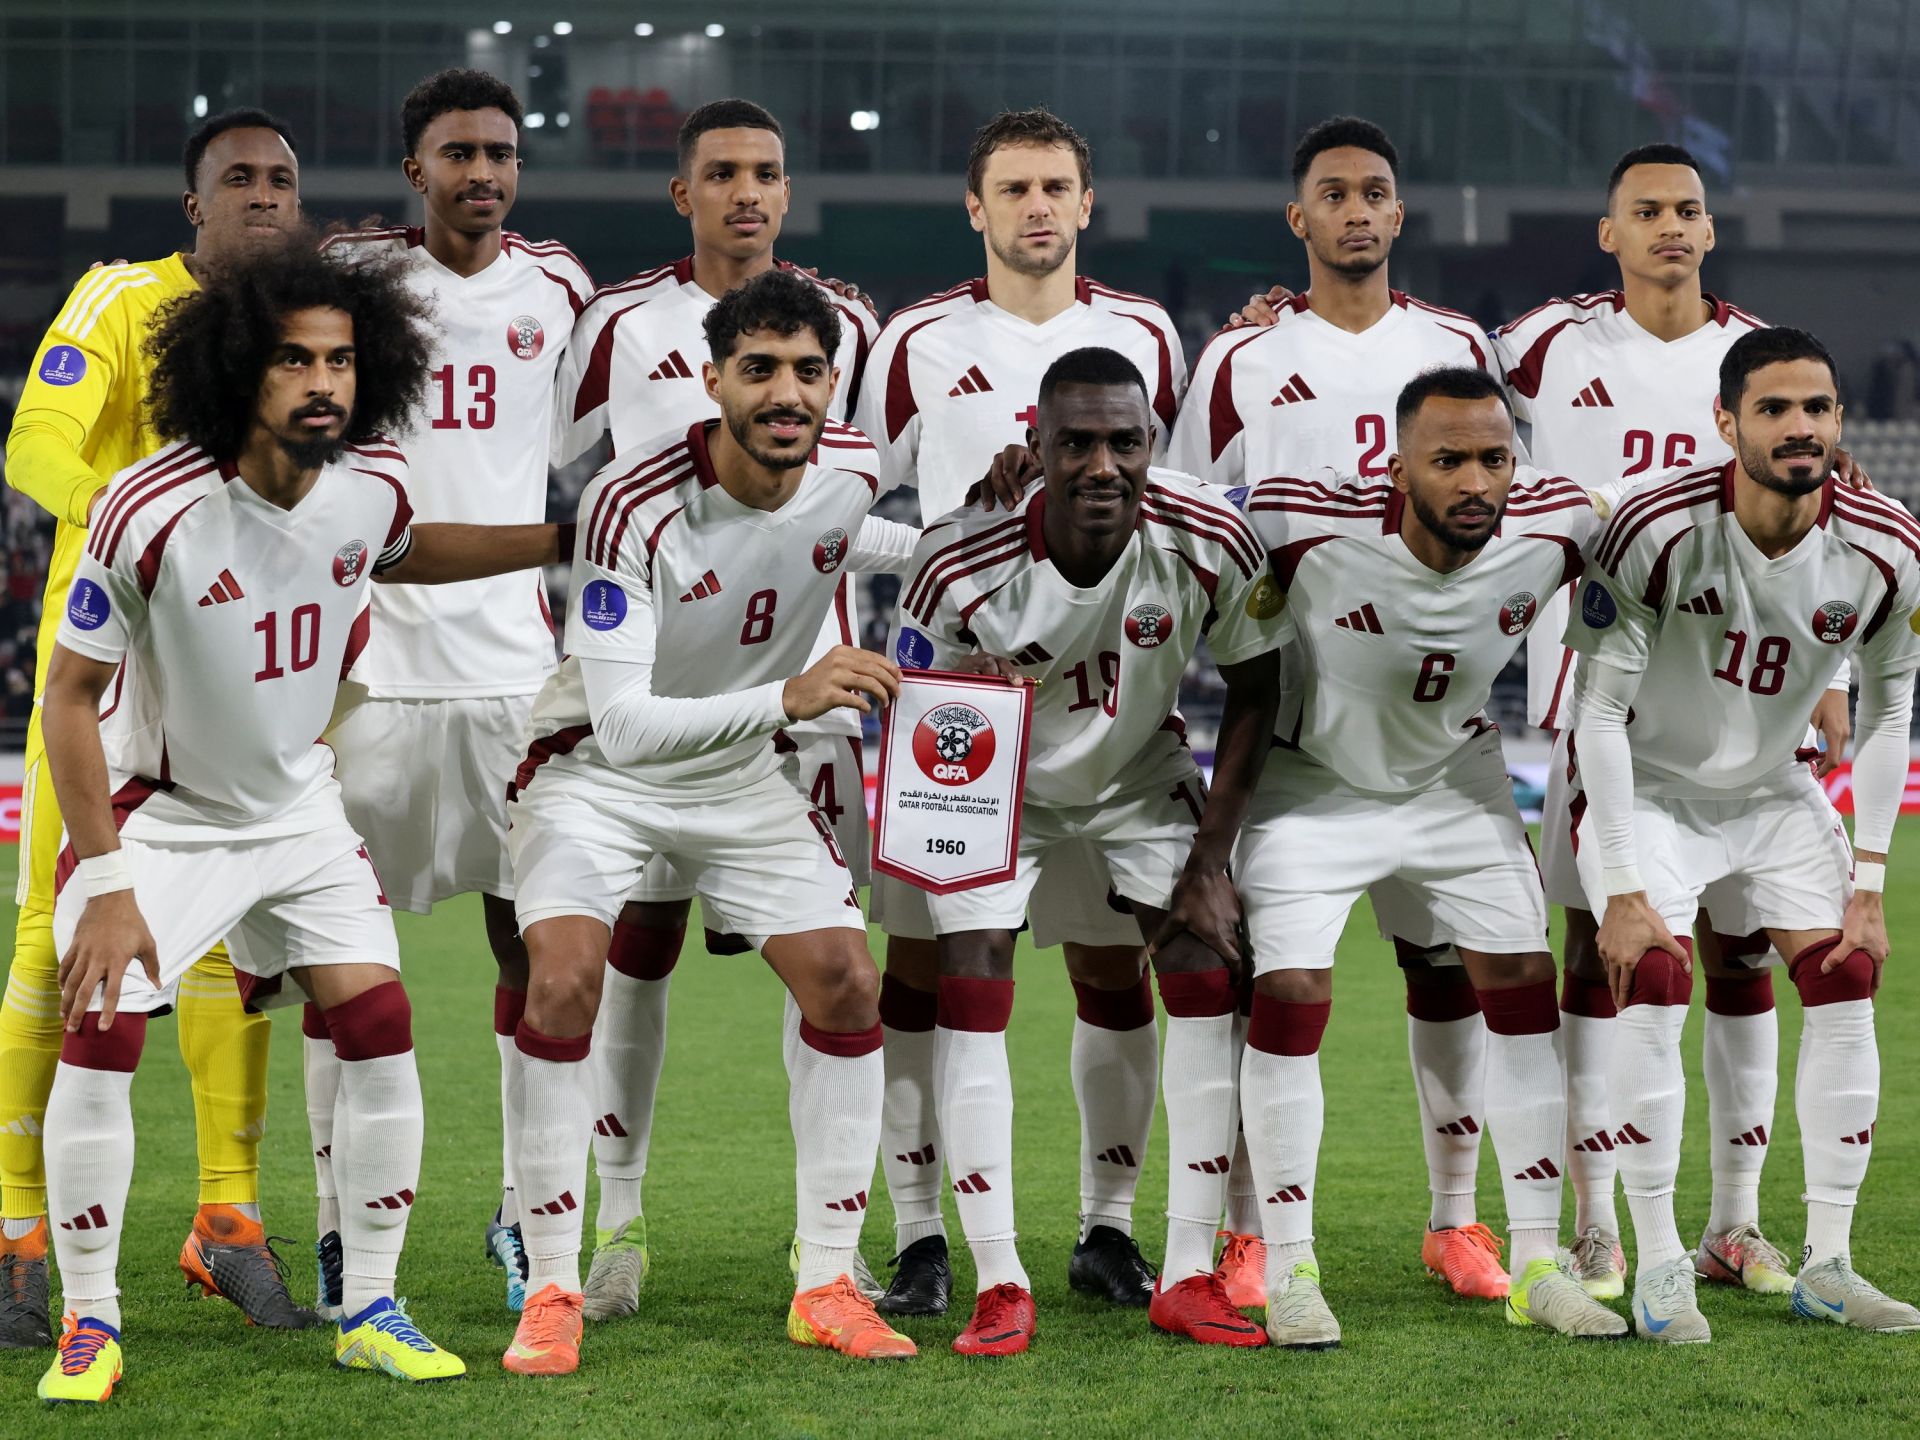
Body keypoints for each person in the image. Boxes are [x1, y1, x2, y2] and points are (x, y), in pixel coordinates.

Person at [34, 238, 570, 1402]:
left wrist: (559, 541)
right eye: (293, 359)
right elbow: (69, 699)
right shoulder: (148, 507)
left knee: (379, 1022)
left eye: (340, 359)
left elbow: (409, 553)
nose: (323, 381)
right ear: (239, 366)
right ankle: (90, 1322)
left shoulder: (371, 485)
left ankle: (368, 1305)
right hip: (162, 817)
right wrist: (110, 884)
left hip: (298, 808)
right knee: (102, 1030)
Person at [501, 269, 919, 1375]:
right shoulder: (631, 501)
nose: (788, 393)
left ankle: (826, 1281)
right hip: (596, 775)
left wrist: (988, 525)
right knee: (563, 982)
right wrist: (793, 695)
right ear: (713, 379)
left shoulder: (844, 473)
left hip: (737, 781)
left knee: (847, 981)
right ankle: (551, 1287)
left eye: (809, 372)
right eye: (760, 370)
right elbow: (626, 725)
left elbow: (864, 539)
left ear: (831, 384)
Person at [1493, 145, 1857, 1300]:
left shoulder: (1756, 360)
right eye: (1645, 211)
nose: (1670, 227)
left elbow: (1822, 514)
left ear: (1710, 229)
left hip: (1749, 700)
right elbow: (1419, 376)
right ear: (1609, 233)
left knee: (1743, 954)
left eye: (1687, 210)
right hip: (1597, 692)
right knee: (1604, 949)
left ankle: (1734, 1224)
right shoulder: (1540, 345)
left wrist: (1834, 667)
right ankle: (1595, 1222)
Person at [549, 97, 885, 1319]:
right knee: (636, 954)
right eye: (724, 172)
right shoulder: (615, 323)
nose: (748, 192)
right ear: (682, 192)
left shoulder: (849, 321)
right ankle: (618, 1224)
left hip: (809, 695)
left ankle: (830, 1248)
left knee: (829, 962)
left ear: (789, 191)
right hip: (660, 680)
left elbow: (856, 494)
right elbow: (560, 472)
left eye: (768, 173)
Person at [854, 107, 1188, 1317]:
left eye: (1056, 185)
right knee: (923, 970)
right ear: (975, 206)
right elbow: (849, 500)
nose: (1037, 206)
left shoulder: (1147, 333)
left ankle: (1108, 1228)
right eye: (1013, 187)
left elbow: (1177, 493)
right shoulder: (913, 341)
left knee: (1112, 967)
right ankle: (921, 1238)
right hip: (962, 703)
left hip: (1104, 705)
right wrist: (951, 557)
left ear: (1087, 203)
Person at [1171, 114, 1507, 1307]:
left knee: (1448, 973)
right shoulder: (1241, 358)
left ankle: (1456, 1220)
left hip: (1432, 729)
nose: (1356, 210)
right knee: (1272, 982)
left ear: (1399, 214)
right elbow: (1194, 516)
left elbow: (1509, 502)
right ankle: (1251, 1234)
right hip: (1295, 723)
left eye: (1374, 192)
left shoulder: (1458, 343)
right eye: (1333, 193)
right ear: (1298, 218)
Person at [891, 346, 1280, 1353]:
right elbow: (922, 717)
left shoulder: (1210, 535)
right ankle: (999, 1279)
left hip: (1139, 774)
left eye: (1123, 443)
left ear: (1153, 444)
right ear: (1039, 445)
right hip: (995, 784)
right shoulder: (957, 558)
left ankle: (1185, 1272)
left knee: (1204, 967)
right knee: (970, 979)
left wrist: (1209, 864)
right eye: (1076, 444)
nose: (1102, 466)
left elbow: (1258, 687)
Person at [1, 108, 314, 1347]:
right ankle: (18, 1231)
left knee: (230, 949)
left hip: (234, 689)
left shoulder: (303, 334)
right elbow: (35, 444)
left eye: (281, 178)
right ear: (195, 205)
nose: (263, 194)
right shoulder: (122, 299)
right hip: (100, 679)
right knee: (56, 939)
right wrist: (130, 518)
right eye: (238, 178)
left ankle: (226, 1221)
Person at [1235, 367, 1630, 1346]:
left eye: (1493, 459)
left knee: (1523, 980)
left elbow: (1668, 513)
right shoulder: (1302, 517)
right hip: (1312, 779)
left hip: (1455, 777)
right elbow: (1179, 513)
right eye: (1448, 460)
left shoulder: (1556, 522)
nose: (1474, 482)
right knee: (1290, 991)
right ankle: (1289, 1267)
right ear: (1397, 465)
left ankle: (1537, 1261)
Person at [1566, 326, 1920, 1342]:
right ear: (1727, 424)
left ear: (1840, 420)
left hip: (1773, 791)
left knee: (1848, 972)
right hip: (1649, 789)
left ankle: (1829, 1262)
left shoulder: (1889, 545)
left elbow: (1891, 713)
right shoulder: (1656, 527)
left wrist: (1869, 881)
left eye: (1817, 407)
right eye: (1773, 408)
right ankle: (1659, 1263)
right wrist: (1622, 886)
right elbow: (1598, 713)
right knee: (1655, 977)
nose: (1799, 426)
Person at [316, 68, 594, 1319]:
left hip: (511, 667)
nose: (483, 173)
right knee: (333, 949)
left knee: (527, 938)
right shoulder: (354, 275)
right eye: (459, 153)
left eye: (502, 153)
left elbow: (603, 423)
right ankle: (337, 1225)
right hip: (366, 665)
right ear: (414, 170)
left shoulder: (560, 288)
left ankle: (526, 1215)